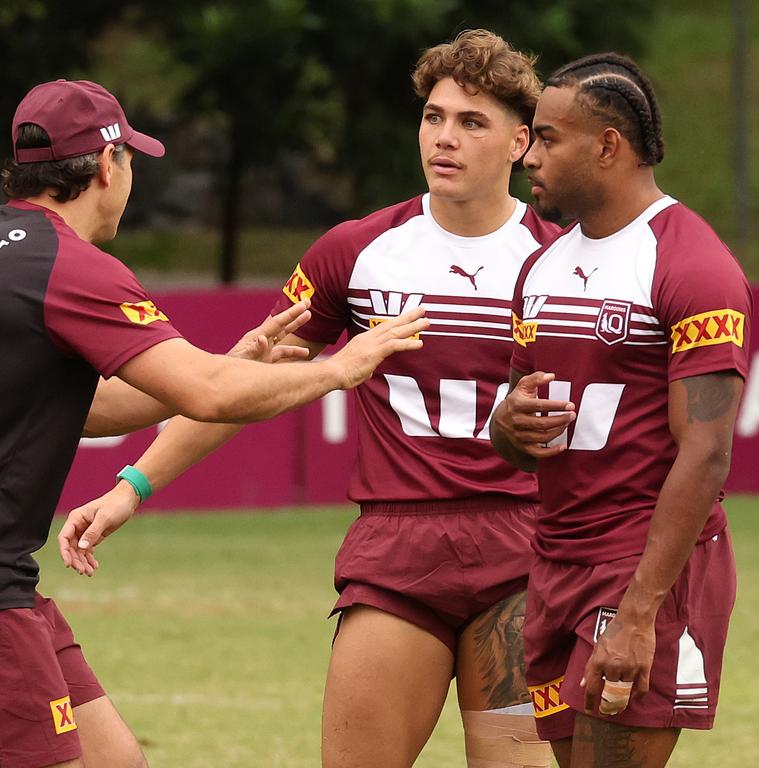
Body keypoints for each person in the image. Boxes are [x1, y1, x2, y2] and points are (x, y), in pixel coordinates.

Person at [0, 78, 427, 768]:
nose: (131, 179)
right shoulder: (70, 266)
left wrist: (226, 361)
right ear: (104, 166)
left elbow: (80, 405)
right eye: (130, 161)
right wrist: (341, 366)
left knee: (114, 758)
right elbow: (210, 395)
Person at [59, 31, 559, 768]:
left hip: (524, 555)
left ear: (520, 141)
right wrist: (133, 485)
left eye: (471, 122)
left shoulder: (562, 261)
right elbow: (243, 385)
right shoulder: (353, 252)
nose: (444, 138)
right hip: (398, 555)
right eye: (433, 116)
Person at [491, 53, 752, 767]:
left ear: (608, 146)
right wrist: (505, 426)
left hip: (642, 571)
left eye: (547, 139)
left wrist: (640, 613)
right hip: (555, 564)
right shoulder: (539, 268)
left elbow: (707, 454)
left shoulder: (693, 266)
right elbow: (517, 431)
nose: (529, 158)